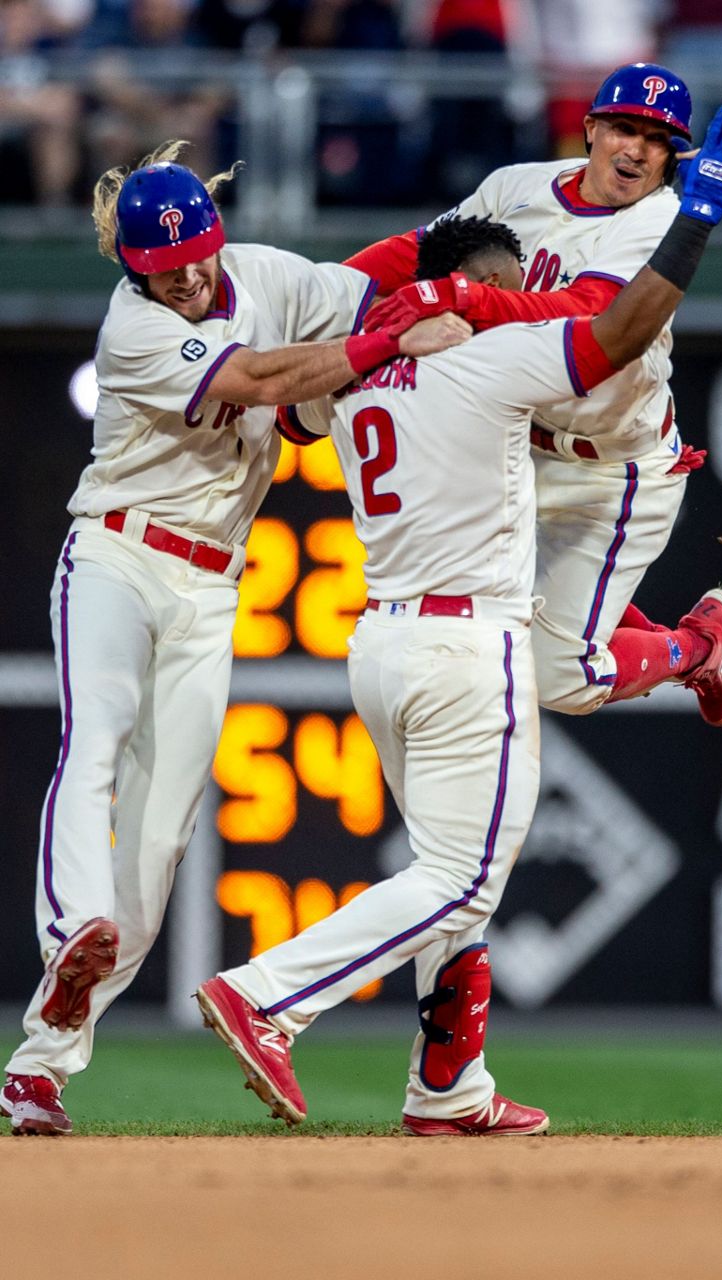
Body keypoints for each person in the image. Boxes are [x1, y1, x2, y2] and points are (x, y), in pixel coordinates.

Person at [194, 105, 722, 1136]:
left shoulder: (360, 371)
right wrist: (695, 227)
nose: (522, 296)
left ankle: (448, 1086)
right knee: (459, 875)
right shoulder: (496, 359)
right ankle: (268, 993)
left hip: (377, 639)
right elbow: (608, 334)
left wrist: (371, 319)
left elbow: (289, 406)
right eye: (512, 282)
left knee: (447, 872)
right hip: (473, 642)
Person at [0, 140, 464, 1138]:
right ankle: (68, 925)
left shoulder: (255, 271)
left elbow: (354, 280)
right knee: (97, 739)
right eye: (167, 266)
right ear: (132, 269)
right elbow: (257, 379)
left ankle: (38, 1062)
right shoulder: (133, 329)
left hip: (214, 582)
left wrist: (444, 245)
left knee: (162, 843)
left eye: (199, 251)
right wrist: (385, 345)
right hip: (118, 552)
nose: (190, 272)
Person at [348, 61, 722, 728]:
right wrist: (331, 293)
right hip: (511, 446)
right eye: (625, 128)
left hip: (604, 467)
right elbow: (417, 253)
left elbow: (587, 320)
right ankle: (604, 615)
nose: (636, 150)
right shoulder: (518, 186)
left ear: (672, 156)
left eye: (657, 140)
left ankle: (698, 648)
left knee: (558, 677)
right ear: (590, 128)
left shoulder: (660, 220)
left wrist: (459, 296)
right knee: (472, 621)